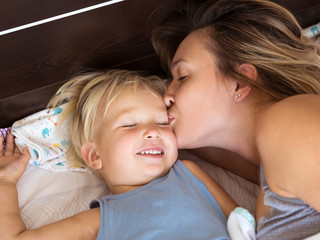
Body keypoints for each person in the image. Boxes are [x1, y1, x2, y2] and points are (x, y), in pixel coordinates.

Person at [0, 69, 255, 240]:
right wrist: (5, 183)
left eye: (162, 122)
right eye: (130, 125)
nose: (154, 131)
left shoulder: (189, 172)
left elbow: (243, 222)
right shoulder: (100, 220)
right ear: (94, 156)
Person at [151, 0, 320, 239]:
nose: (166, 96)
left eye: (183, 76)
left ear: (239, 82)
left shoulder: (287, 123)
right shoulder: (265, 164)